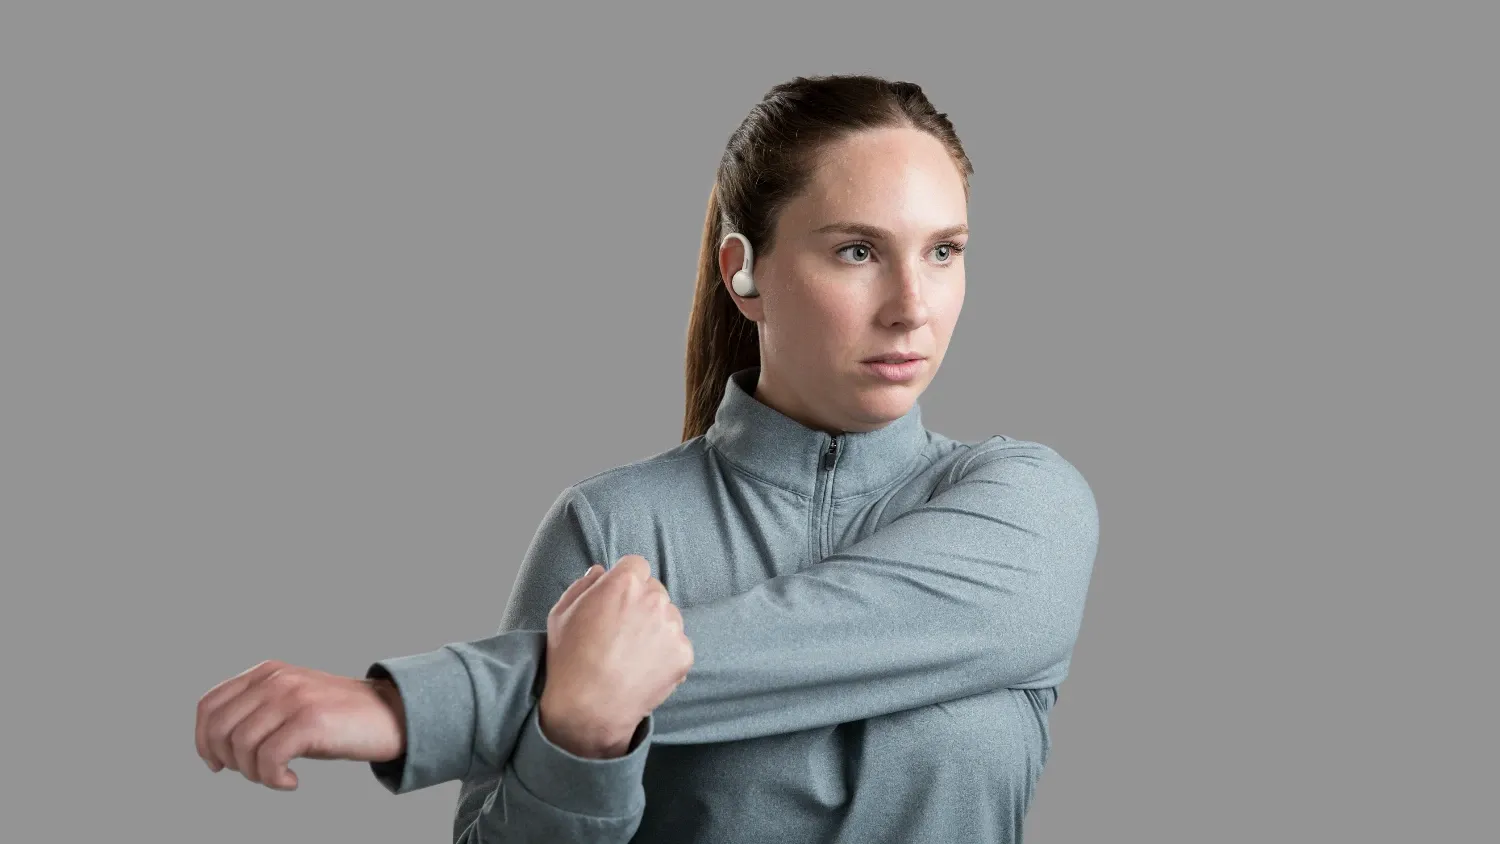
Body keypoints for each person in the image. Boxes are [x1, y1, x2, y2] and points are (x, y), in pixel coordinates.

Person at [194, 73, 1100, 843]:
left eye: (944, 252)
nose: (913, 305)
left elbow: (818, 635)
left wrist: (414, 708)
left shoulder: (1029, 508)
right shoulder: (614, 527)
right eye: (859, 251)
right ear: (743, 270)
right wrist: (577, 735)